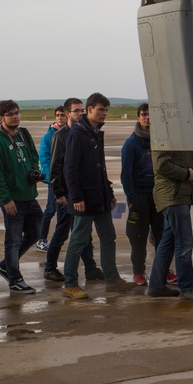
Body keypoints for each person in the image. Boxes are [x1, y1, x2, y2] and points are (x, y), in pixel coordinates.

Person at [61, 92, 132, 300]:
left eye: (106, 111)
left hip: (100, 198)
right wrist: (76, 198)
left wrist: (109, 193)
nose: (104, 114)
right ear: (89, 109)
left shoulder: (95, 132)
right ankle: (70, 284)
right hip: (84, 199)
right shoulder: (77, 133)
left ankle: (112, 279)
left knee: (108, 236)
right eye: (101, 110)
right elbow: (70, 169)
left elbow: (100, 169)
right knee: (79, 240)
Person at [0, 100, 44, 294]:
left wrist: (34, 170)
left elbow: (34, 156)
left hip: (29, 195)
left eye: (17, 113)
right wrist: (5, 199)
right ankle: (15, 279)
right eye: (10, 114)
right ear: (1, 118)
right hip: (12, 199)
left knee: (36, 233)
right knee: (12, 240)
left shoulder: (23, 134)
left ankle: (6, 266)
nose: (15, 117)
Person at [44, 98, 101, 284]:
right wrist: (59, 194)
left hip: (80, 192)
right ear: (67, 113)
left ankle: (91, 268)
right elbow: (56, 168)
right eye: (76, 111)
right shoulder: (60, 136)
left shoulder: (83, 132)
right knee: (62, 232)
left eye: (82, 111)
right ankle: (50, 268)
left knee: (84, 233)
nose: (80, 114)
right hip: (67, 195)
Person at [148, 149, 193, 301]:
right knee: (184, 243)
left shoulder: (177, 133)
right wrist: (187, 174)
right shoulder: (166, 132)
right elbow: (161, 165)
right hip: (173, 197)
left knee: (168, 243)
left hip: (178, 195)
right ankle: (187, 287)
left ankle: (156, 285)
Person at [121, 103, 165, 286]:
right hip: (139, 195)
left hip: (159, 195)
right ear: (138, 117)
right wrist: (131, 199)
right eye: (144, 114)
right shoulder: (131, 144)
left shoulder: (161, 140)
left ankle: (163, 270)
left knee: (162, 235)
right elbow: (126, 175)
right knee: (138, 236)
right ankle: (138, 272)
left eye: (150, 114)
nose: (147, 118)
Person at [35, 105, 67, 252]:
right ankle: (41, 239)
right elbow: (44, 158)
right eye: (58, 115)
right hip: (55, 180)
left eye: (62, 115)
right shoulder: (49, 136)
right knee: (51, 209)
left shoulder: (71, 133)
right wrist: (51, 177)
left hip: (68, 179)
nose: (60, 118)